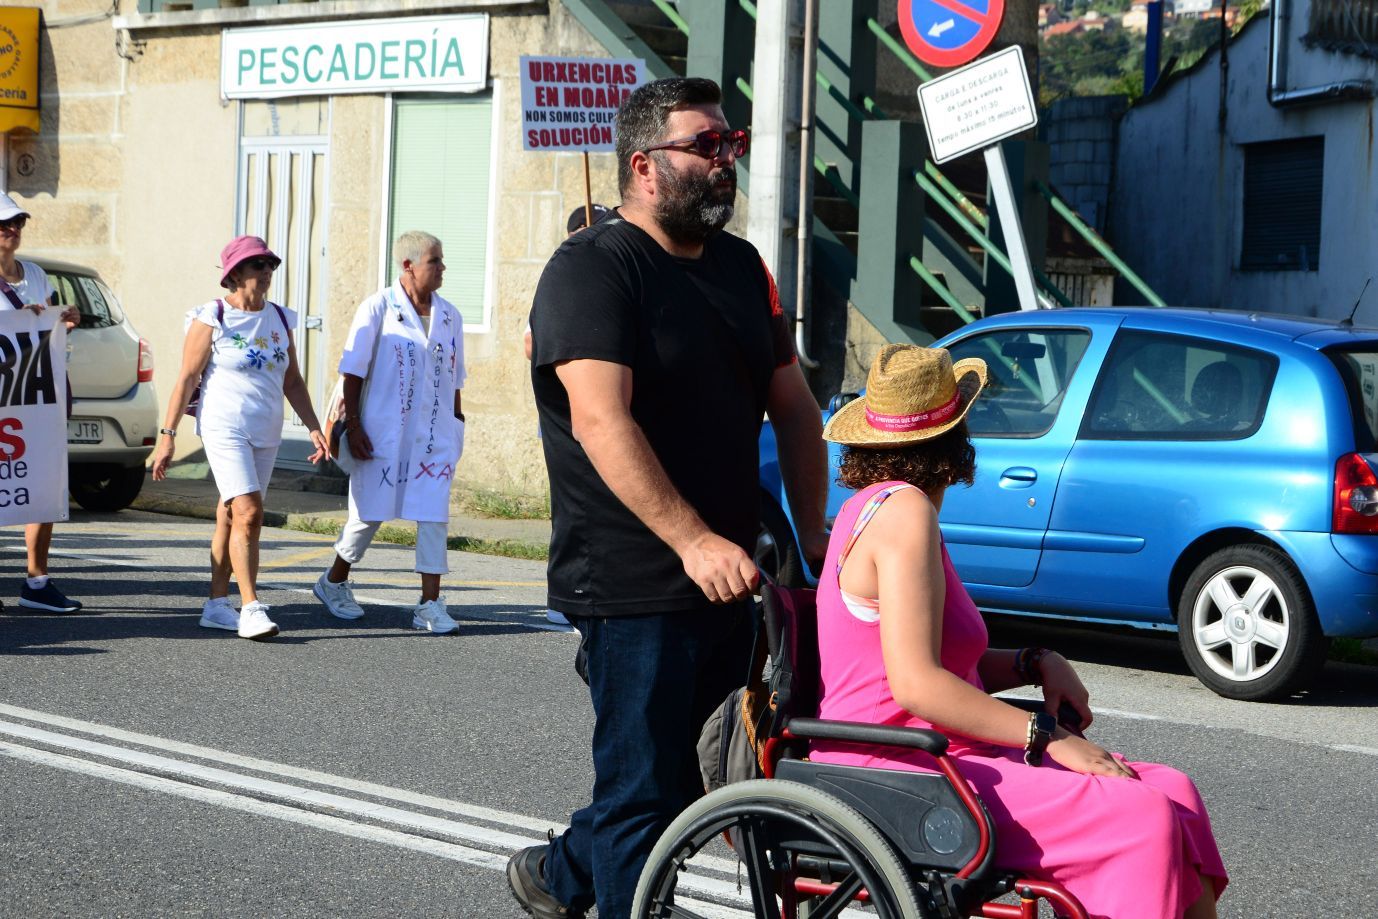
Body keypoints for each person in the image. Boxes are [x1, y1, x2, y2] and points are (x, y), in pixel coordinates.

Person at [509, 77, 829, 919]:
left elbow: (794, 408)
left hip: (731, 573)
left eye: (733, 144)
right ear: (644, 166)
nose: (727, 163)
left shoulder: (742, 266)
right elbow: (601, 421)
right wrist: (691, 540)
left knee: (701, 771)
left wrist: (821, 538)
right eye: (707, 146)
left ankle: (562, 873)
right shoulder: (593, 269)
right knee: (645, 786)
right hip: (632, 580)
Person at [811, 344, 1228, 919]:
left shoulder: (871, 508)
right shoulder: (905, 512)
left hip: (934, 753)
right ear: (956, 436)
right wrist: (1049, 735)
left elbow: (934, 665)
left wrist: (1036, 661)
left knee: (1172, 790)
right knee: (1140, 816)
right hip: (898, 769)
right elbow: (916, 685)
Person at [151, 236, 327, 640]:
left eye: (269, 264)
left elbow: (293, 380)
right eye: (256, 265)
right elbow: (186, 379)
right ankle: (251, 607)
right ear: (234, 273)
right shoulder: (212, 317)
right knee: (250, 513)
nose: (265, 272)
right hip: (223, 426)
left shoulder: (281, 319)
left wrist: (314, 426)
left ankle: (216, 604)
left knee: (231, 515)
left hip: (266, 429)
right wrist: (168, 436)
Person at [311, 231, 466, 635]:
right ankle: (334, 581)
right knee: (369, 513)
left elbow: (456, 378)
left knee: (433, 517)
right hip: (383, 434)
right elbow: (353, 371)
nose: (443, 268)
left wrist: (457, 427)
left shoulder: (450, 317)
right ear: (408, 266)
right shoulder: (377, 308)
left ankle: (430, 604)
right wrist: (356, 427)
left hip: (434, 437)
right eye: (435, 261)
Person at [524, 203, 610, 629]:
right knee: (571, 508)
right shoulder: (562, 279)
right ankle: (566, 593)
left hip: (606, 417)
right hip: (567, 418)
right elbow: (531, 343)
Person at [0, 193, 83, 614]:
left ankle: (37, 580)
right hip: (3, 397)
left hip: (35, 394)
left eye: (17, 222)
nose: (12, 230)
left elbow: (53, 322)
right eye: (4, 224)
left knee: (40, 479)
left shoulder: (34, 273)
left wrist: (62, 317)